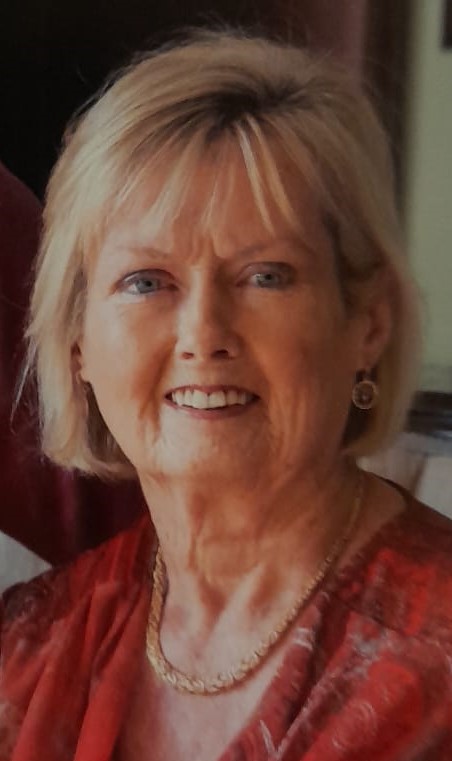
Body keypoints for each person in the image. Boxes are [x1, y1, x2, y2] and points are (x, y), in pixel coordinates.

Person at [1, 29, 451, 761]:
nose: (204, 334)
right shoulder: (26, 646)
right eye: (147, 282)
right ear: (78, 341)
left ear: (368, 324)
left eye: (265, 276)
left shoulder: (439, 650)